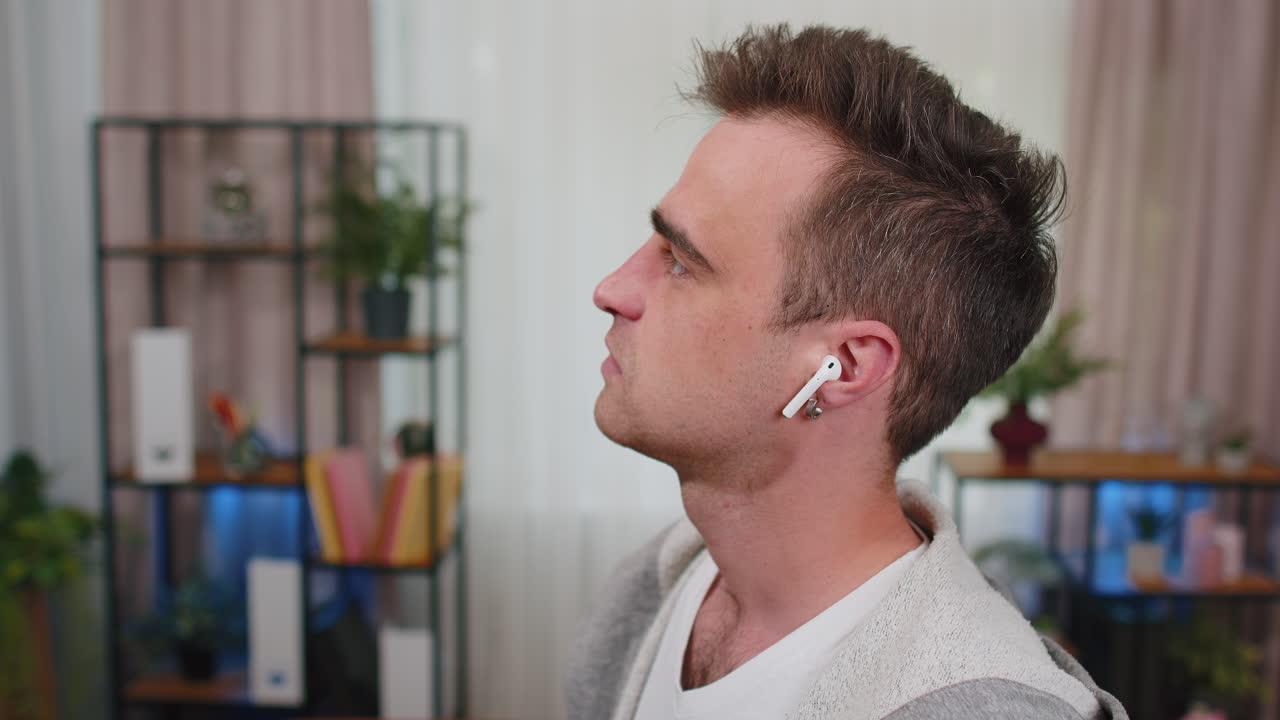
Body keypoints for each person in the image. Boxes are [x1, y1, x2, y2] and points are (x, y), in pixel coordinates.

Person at [570, 23, 1127, 720]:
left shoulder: (981, 708)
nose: (611, 288)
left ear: (843, 368)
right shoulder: (652, 594)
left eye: (682, 262)